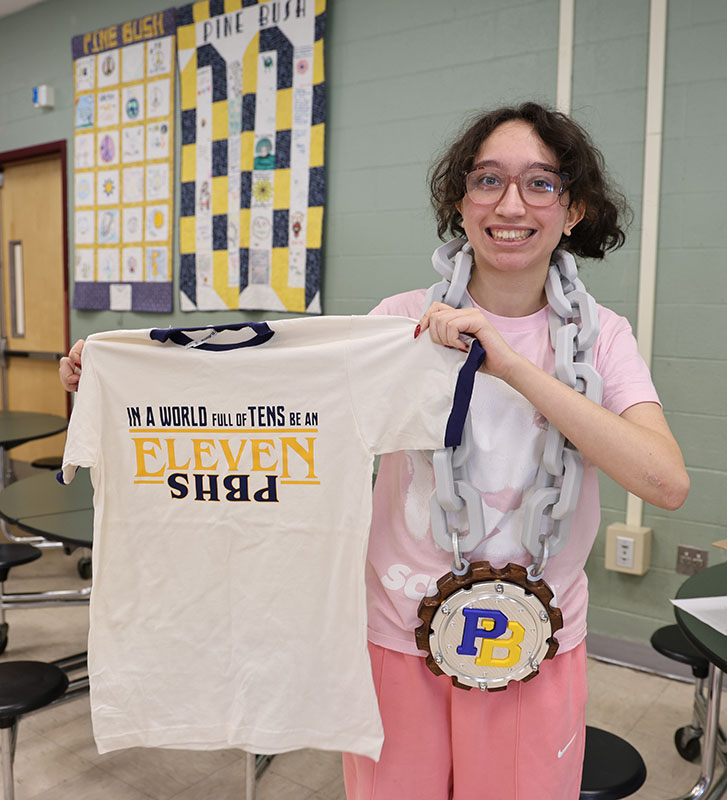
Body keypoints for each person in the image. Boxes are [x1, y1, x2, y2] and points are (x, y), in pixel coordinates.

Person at [60, 102, 689, 800]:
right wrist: (123, 371)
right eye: (487, 180)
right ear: (459, 200)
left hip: (532, 637)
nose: (511, 203)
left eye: (541, 183)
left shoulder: (601, 339)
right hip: (398, 635)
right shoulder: (399, 324)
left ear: (572, 210)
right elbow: (260, 394)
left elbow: (663, 481)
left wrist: (510, 364)